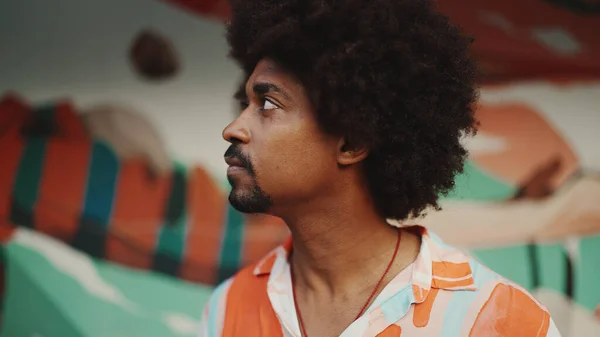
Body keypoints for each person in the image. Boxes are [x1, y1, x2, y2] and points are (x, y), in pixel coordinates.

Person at [198, 0, 562, 336]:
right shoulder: (227, 310)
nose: (234, 128)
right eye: (245, 103)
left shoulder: (499, 320)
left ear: (351, 143)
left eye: (267, 104)